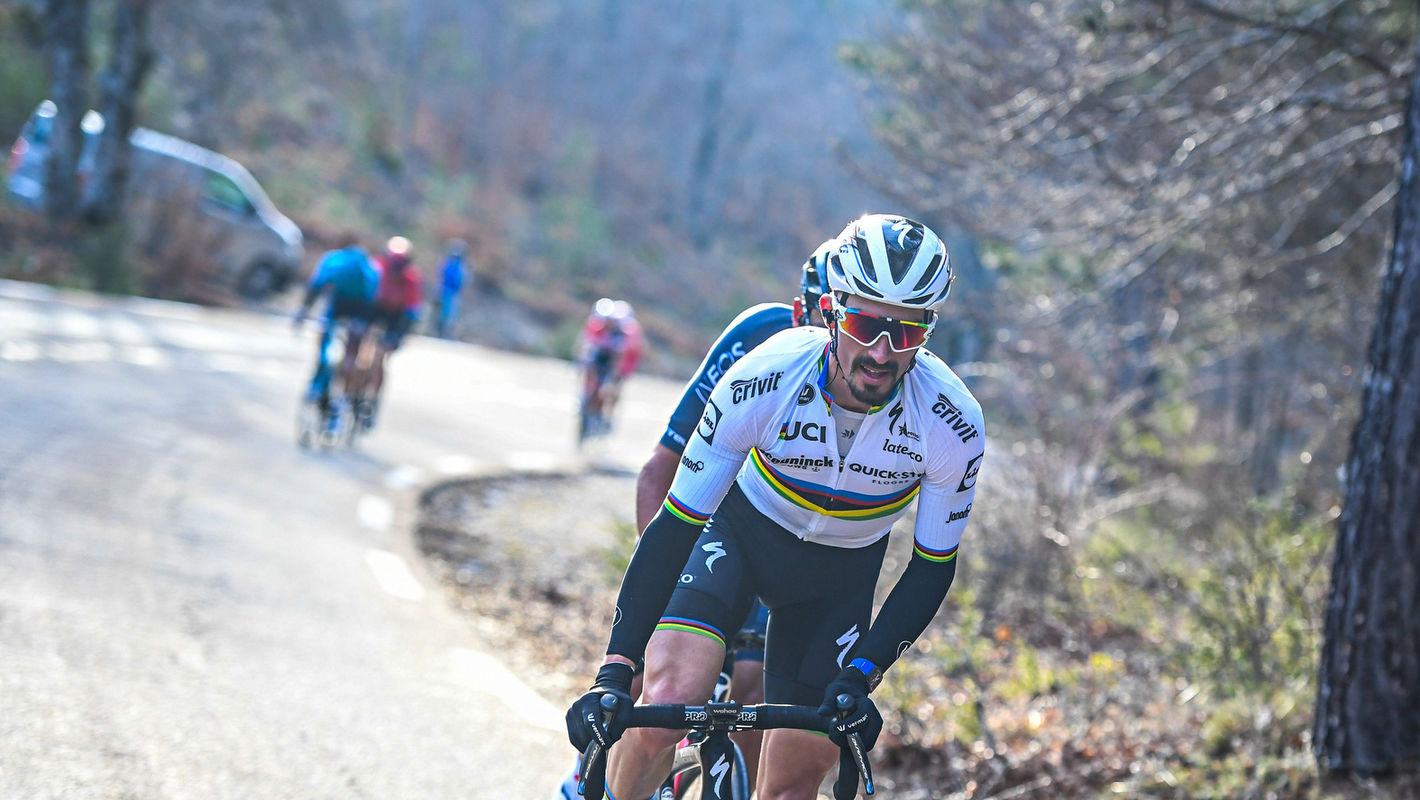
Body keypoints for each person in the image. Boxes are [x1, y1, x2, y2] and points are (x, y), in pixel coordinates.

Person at [565, 214, 985, 800]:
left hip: (836, 582)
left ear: (928, 331)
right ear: (835, 310)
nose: (882, 352)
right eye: (866, 323)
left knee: (790, 786)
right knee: (664, 708)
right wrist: (617, 668)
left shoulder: (951, 422)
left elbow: (933, 564)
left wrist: (864, 674)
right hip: (736, 540)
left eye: (907, 332)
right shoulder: (765, 376)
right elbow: (674, 526)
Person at [555, 242, 836, 799]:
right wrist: (666, 590)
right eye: (817, 318)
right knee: (661, 691)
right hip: (715, 531)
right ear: (801, 309)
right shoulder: (757, 337)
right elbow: (660, 470)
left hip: (792, 555)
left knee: (759, 693)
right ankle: (604, 780)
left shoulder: (882, 382)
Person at [292, 233, 379, 431]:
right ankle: (341, 401)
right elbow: (373, 298)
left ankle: (318, 383)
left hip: (335, 309)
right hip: (359, 313)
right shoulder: (369, 267)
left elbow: (316, 286)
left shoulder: (333, 260)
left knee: (325, 348)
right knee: (350, 358)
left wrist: (302, 312)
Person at [360, 235, 423, 429]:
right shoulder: (377, 267)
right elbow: (366, 292)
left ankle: (372, 400)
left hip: (395, 317)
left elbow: (412, 310)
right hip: (375, 310)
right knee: (361, 353)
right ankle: (353, 390)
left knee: (380, 358)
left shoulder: (410, 278)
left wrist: (399, 336)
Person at [576, 298, 642, 436]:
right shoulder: (597, 326)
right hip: (600, 359)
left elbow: (623, 357)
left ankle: (607, 416)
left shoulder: (625, 332)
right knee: (590, 377)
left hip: (617, 363)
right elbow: (585, 345)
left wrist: (615, 375)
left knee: (611, 389)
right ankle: (585, 400)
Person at [434, 238, 470, 338]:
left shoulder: (456, 265)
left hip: (451, 293)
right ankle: (441, 333)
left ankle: (444, 333)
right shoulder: (453, 264)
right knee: (443, 314)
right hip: (447, 292)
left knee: (448, 315)